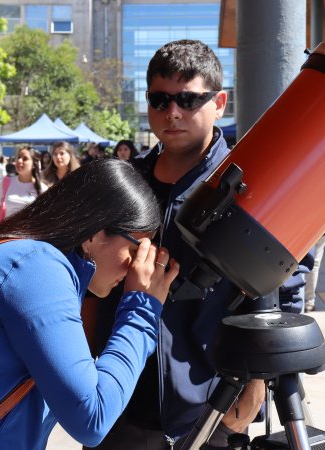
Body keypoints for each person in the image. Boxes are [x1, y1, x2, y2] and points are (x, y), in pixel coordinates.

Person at [0, 159, 180, 450]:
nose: (136, 267)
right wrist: (142, 310)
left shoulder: (30, 258)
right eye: (137, 249)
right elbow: (93, 418)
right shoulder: (37, 268)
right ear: (93, 234)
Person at [89, 39, 266, 450]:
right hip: (117, 395)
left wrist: (256, 385)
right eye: (160, 99)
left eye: (189, 99)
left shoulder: (251, 186)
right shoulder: (124, 182)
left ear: (219, 102)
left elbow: (281, 288)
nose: (173, 112)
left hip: (210, 405)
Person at [0, 146, 49, 238]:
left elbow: (45, 219)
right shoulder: (6, 182)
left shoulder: (43, 189)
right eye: (19, 157)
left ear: (33, 164)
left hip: (31, 239)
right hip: (7, 237)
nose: (19, 161)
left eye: (25, 158)